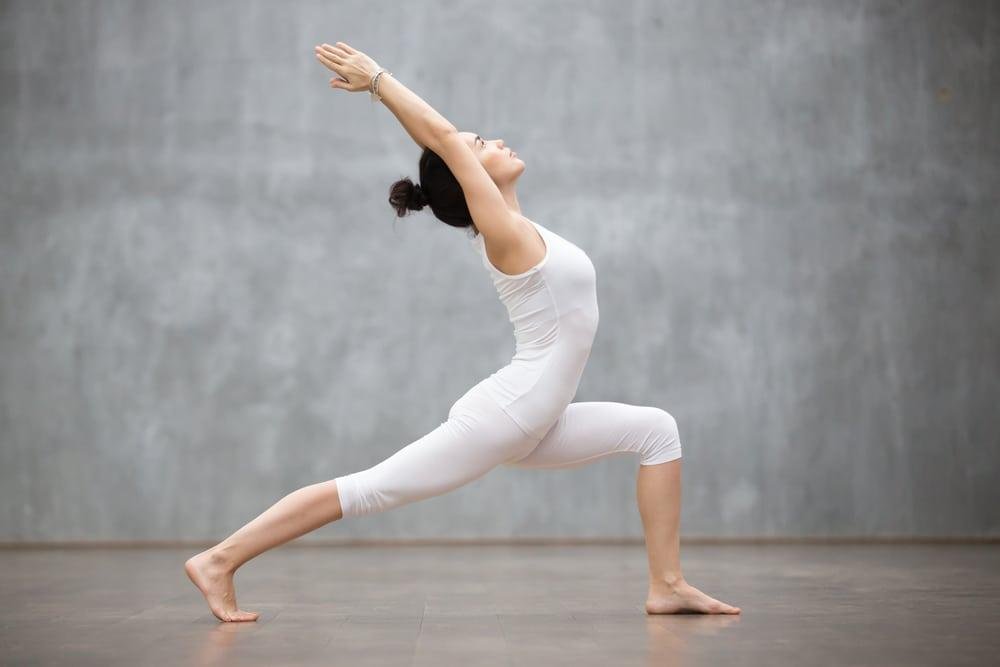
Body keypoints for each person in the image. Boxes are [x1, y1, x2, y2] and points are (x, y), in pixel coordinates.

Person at [184, 41, 741, 622]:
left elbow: (450, 145)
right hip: (508, 414)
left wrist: (423, 121)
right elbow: (445, 140)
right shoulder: (503, 235)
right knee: (369, 489)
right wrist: (379, 82)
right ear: (469, 176)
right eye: (481, 146)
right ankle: (220, 560)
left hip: (536, 418)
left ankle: (667, 584)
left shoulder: (520, 225)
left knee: (657, 431)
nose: (493, 141)